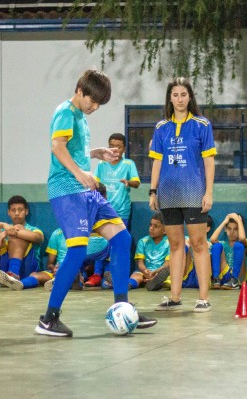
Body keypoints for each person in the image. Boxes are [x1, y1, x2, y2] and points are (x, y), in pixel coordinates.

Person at [35, 68, 156, 337]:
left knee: (122, 239)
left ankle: (122, 307)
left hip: (84, 191)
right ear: (80, 91)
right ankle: (48, 319)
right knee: (77, 251)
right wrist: (81, 173)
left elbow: (72, 150)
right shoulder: (65, 112)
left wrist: (95, 153)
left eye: (100, 104)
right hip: (67, 190)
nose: (95, 107)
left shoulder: (80, 117)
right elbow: (57, 147)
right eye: (93, 101)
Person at [149, 77, 216, 312]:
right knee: (176, 245)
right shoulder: (161, 128)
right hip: (168, 194)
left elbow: (209, 161)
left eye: (183, 95)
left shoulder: (202, 125)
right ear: (170, 98)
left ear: (190, 97)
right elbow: (157, 162)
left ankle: (204, 298)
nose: (179, 99)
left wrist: (209, 192)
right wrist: (153, 191)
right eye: (175, 95)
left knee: (198, 244)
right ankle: (175, 297)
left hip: (194, 192)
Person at [85, 133, 139, 287]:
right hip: (102, 210)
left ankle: (112, 275)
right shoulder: (102, 164)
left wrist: (128, 182)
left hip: (121, 212)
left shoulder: (128, 164)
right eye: (112, 146)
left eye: (118, 147)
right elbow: (96, 184)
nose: (115, 149)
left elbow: (136, 182)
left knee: (117, 244)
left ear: (124, 149)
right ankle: (97, 274)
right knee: (100, 242)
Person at [0, 195, 45, 290]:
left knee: (18, 233)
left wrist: (7, 232)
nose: (17, 213)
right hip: (4, 271)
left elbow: (37, 237)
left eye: (20, 210)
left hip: (27, 270)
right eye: (13, 210)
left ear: (26, 211)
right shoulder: (4, 228)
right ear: (9, 212)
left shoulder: (34, 229)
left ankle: (13, 272)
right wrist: (3, 225)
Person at [128, 213, 170, 291]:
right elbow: (140, 263)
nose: (151, 228)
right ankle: (128, 284)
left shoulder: (169, 242)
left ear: (164, 230)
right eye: (150, 225)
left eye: (156, 226)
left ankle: (157, 283)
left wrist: (155, 272)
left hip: (160, 272)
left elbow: (167, 264)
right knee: (136, 275)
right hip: (145, 272)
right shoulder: (142, 241)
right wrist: (145, 271)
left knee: (168, 277)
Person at [209, 213, 247, 289]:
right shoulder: (223, 244)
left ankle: (234, 281)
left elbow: (242, 238)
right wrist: (224, 222)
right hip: (224, 275)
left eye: (236, 229)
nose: (232, 232)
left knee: (239, 245)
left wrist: (239, 221)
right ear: (225, 229)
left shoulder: (245, 242)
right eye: (229, 229)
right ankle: (216, 279)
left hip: (239, 276)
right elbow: (212, 239)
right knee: (216, 246)